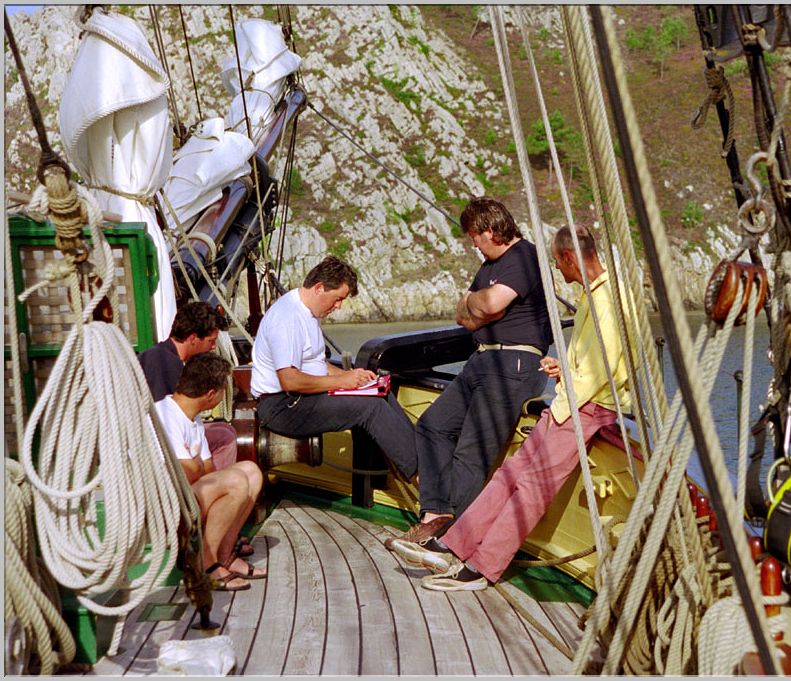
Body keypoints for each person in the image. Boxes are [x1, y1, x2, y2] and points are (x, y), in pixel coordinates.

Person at [390, 227, 632, 591]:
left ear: (569, 258)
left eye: (557, 261)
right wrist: (562, 368)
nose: (557, 269)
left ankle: (482, 569)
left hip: (585, 408)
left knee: (532, 489)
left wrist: (564, 403)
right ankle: (454, 544)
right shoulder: (594, 295)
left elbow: (601, 372)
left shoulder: (609, 300)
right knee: (511, 473)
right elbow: (594, 361)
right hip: (572, 403)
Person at [386, 197, 553, 548]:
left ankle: (448, 541)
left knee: (471, 452)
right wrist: (477, 305)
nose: (473, 244)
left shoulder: (524, 256)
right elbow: (463, 314)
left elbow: (488, 305)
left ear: (489, 231)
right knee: (433, 426)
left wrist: (481, 304)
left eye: (474, 237)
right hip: (481, 361)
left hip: (513, 365)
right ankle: (435, 512)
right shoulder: (490, 266)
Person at [250, 256, 417, 480]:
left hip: (299, 399)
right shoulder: (287, 318)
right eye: (338, 299)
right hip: (282, 406)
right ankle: (423, 478)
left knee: (380, 393)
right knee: (370, 408)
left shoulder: (307, 312)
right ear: (319, 288)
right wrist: (341, 382)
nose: (338, 306)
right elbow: (289, 380)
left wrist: (352, 377)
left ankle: (423, 459)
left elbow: (317, 365)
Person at [153, 353, 266, 591]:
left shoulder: (193, 420)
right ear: (210, 394)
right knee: (235, 481)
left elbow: (205, 470)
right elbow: (189, 474)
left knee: (251, 472)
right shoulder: (164, 415)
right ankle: (205, 562)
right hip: (162, 511)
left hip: (185, 499)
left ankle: (225, 556)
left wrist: (193, 464)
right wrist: (194, 466)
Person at [138, 301, 239, 471]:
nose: (213, 347)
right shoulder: (166, 365)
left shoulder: (163, 355)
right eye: (211, 341)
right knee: (224, 437)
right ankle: (211, 488)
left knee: (223, 428)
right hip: (151, 445)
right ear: (193, 338)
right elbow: (165, 421)